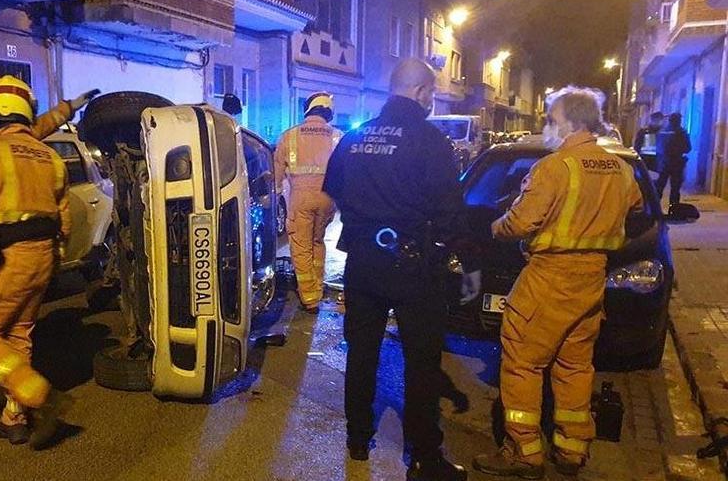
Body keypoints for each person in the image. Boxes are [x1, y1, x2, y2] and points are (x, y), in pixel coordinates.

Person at [323, 58, 481, 481]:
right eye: (431, 93)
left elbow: (334, 191)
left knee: (361, 354)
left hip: (363, 263)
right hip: (415, 268)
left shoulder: (354, 139)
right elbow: (450, 212)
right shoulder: (430, 141)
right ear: (423, 92)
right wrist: (457, 258)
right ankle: (424, 457)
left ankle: (357, 438)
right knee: (421, 362)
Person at [473, 86, 643, 479]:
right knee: (574, 364)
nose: (548, 126)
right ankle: (571, 448)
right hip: (591, 281)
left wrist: (495, 227)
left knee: (522, 362)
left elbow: (520, 222)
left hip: (549, 278)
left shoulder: (554, 167)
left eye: (551, 119)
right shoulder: (619, 168)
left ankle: (523, 450)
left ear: (568, 122)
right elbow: (633, 206)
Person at [0, 74, 98, 413]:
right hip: (40, 257)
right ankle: (14, 417)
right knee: (19, 334)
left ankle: (29, 394)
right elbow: (64, 216)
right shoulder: (47, 155)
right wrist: (67, 108)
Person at [275, 91, 342, 312]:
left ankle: (310, 298)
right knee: (317, 242)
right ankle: (318, 288)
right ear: (328, 112)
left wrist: (276, 194)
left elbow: (277, 172)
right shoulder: (337, 136)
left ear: (308, 109)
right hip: (327, 198)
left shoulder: (289, 136)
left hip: (300, 198)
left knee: (301, 246)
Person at [654, 112, 691, 205]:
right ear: (678, 121)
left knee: (659, 187)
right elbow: (688, 148)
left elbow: (657, 146)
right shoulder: (682, 133)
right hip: (676, 164)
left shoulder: (663, 132)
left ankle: (655, 208)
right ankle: (673, 209)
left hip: (664, 163)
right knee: (675, 189)